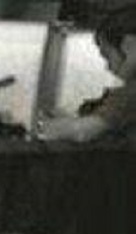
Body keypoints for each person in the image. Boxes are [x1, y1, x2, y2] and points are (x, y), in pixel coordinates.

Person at [36, 5, 136, 142]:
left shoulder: (130, 94)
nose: (108, 67)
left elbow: (82, 132)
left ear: (129, 45)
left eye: (107, 56)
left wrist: (46, 127)